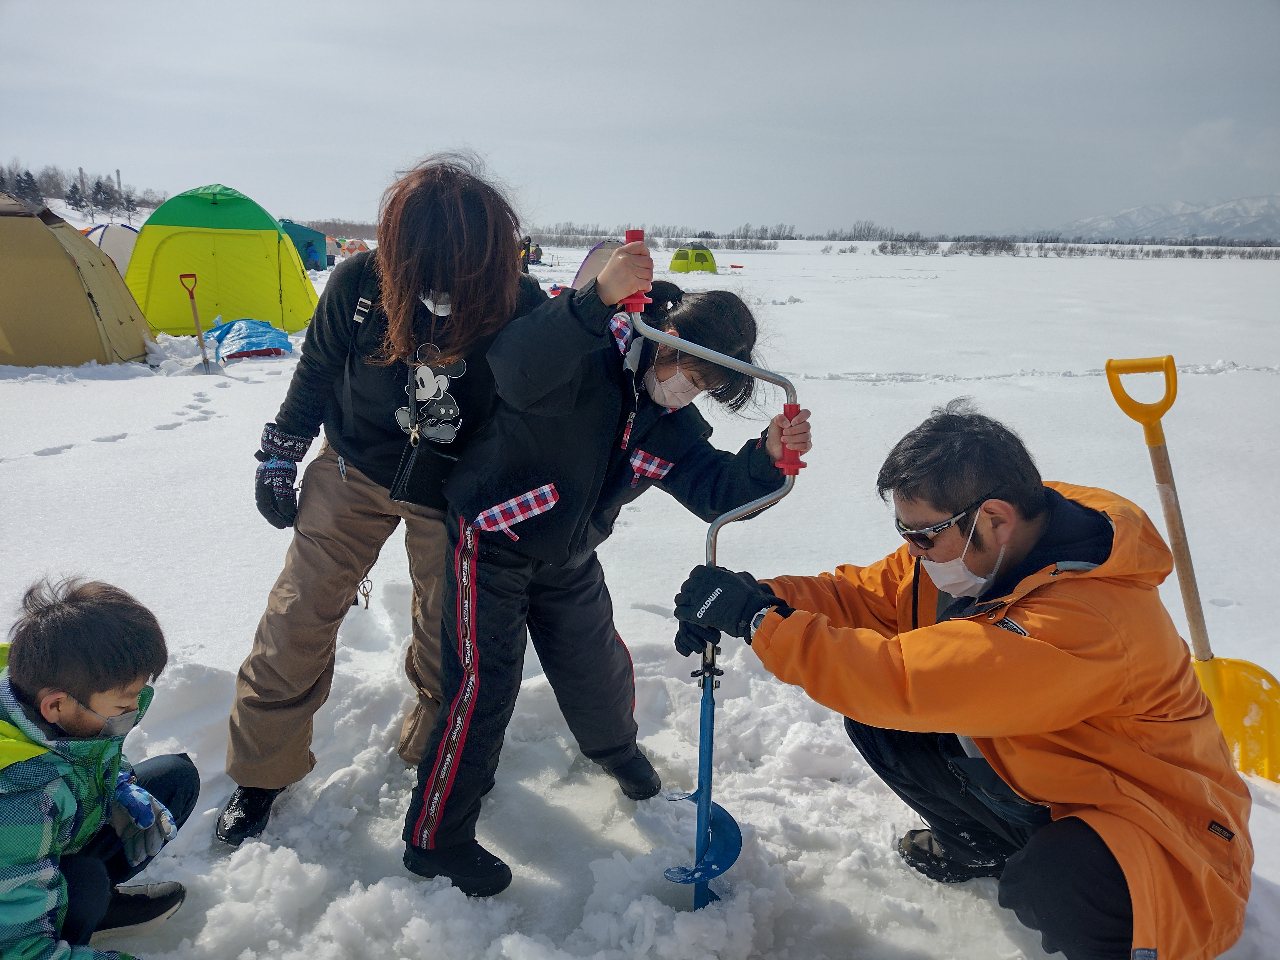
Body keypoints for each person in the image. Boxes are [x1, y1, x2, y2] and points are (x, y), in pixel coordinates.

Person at [671, 400, 1252, 960]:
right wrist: (766, 597)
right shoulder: (988, 549)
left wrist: (758, 624)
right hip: (1054, 771)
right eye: (905, 533)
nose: (912, 551)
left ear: (994, 518)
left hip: (1164, 837)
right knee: (884, 727)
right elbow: (868, 597)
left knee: (1055, 879)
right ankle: (984, 848)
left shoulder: (1086, 619)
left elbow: (902, 680)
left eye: (923, 535)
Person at [399, 245, 814, 897]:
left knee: (596, 665)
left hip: (568, 554)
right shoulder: (584, 350)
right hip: (491, 537)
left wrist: (764, 458)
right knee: (484, 684)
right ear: (666, 332)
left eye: (705, 384)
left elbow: (715, 490)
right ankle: (435, 838)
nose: (687, 386)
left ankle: (616, 752)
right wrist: (593, 302)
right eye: (688, 366)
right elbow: (514, 365)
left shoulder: (672, 426)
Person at [218, 154, 546, 845]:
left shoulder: (519, 300)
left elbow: (541, 405)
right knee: (296, 616)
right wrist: (282, 448)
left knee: (446, 629)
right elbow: (315, 370)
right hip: (354, 467)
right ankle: (259, 774)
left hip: (454, 489)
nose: (439, 284)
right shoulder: (358, 283)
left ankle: (434, 750)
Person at [0, 578, 201, 957]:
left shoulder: (53, 700)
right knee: (86, 883)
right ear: (56, 706)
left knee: (175, 778)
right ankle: (74, 922)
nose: (133, 714)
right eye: (123, 708)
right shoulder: (17, 802)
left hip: (53, 836)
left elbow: (88, 755)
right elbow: (19, 953)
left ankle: (89, 903)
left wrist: (121, 783)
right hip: (14, 906)